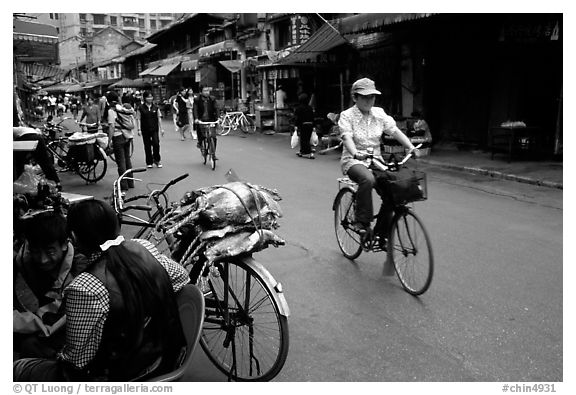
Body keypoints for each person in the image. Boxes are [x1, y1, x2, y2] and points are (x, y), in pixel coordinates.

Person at [13, 199, 190, 381]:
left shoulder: (84, 287)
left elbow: (76, 360)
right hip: (169, 356)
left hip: (124, 375)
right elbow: (182, 277)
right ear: (116, 225)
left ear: (73, 238)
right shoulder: (142, 246)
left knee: (19, 367)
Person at [338, 77, 420, 234]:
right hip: (354, 161)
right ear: (355, 97)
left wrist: (410, 147)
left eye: (372, 96)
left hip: (377, 160)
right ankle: (361, 222)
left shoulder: (379, 113)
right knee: (367, 179)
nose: (369, 100)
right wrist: (356, 153)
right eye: (365, 97)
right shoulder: (347, 115)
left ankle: (380, 234)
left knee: (393, 191)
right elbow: (347, 137)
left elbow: (394, 131)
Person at [14, 211, 88, 359]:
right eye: (36, 251)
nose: (43, 260)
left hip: (78, 320)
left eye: (50, 251)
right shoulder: (23, 257)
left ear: (65, 244)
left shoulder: (81, 266)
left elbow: (61, 316)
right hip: (49, 315)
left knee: (31, 346)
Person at [105, 91, 135, 193]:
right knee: (127, 160)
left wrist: (109, 140)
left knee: (121, 162)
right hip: (128, 136)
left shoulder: (111, 110)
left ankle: (123, 185)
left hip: (118, 137)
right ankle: (131, 182)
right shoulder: (122, 108)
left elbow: (112, 126)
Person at [136, 91, 164, 168]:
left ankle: (157, 160)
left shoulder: (155, 107)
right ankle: (149, 161)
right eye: (148, 97)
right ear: (145, 98)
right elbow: (138, 118)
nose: (150, 98)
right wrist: (138, 129)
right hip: (145, 129)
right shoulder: (140, 108)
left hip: (154, 129)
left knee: (156, 143)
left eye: (151, 97)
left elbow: (159, 118)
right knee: (147, 145)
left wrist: (162, 129)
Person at [193, 86, 219, 159]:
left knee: (213, 137)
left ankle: (213, 153)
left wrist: (218, 118)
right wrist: (196, 119)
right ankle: (200, 143)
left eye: (208, 90)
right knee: (202, 135)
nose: (207, 92)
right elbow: (195, 110)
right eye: (205, 91)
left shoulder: (212, 99)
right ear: (201, 92)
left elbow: (216, 108)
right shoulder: (197, 99)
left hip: (211, 120)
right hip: (201, 120)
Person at [293, 93, 315, 159]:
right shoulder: (310, 108)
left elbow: (297, 118)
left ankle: (309, 153)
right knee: (307, 138)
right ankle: (302, 151)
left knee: (303, 139)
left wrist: (296, 125)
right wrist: (314, 126)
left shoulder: (299, 108)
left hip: (303, 125)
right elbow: (312, 117)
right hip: (310, 125)